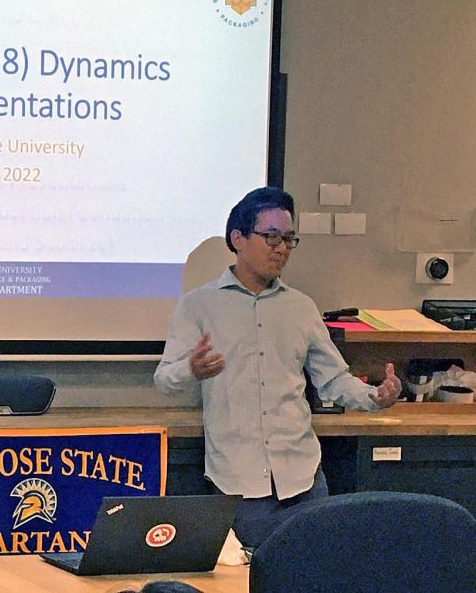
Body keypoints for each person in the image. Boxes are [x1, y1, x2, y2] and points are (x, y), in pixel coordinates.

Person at [154, 186, 401, 548]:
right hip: (239, 484)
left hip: (304, 478)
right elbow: (164, 380)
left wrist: (374, 397)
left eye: (289, 239)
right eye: (271, 237)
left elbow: (333, 379)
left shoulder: (301, 307)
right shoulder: (198, 306)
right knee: (251, 574)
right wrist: (191, 370)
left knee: (316, 568)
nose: (282, 248)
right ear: (238, 238)